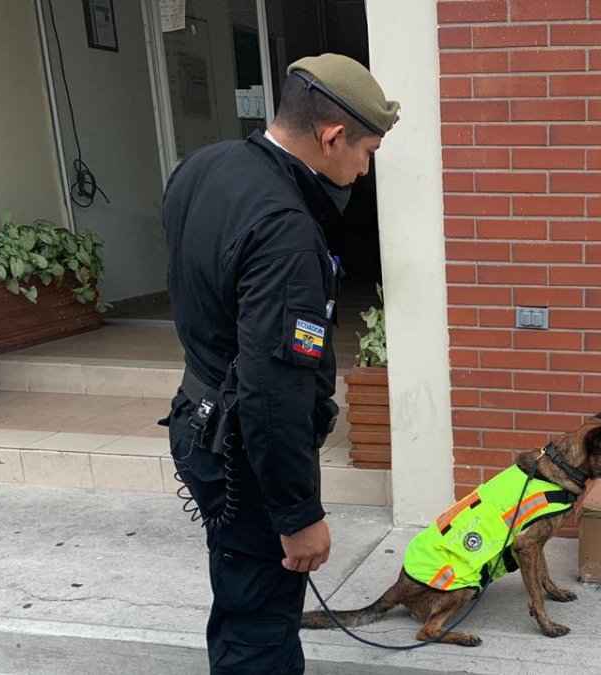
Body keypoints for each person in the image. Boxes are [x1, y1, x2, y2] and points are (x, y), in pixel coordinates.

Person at [161, 53, 398, 674]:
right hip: (246, 449)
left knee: (241, 595)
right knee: (263, 622)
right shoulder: (287, 230)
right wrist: (298, 515)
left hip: (200, 415)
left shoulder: (204, 168)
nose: (364, 169)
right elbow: (275, 391)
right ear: (331, 135)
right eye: (367, 151)